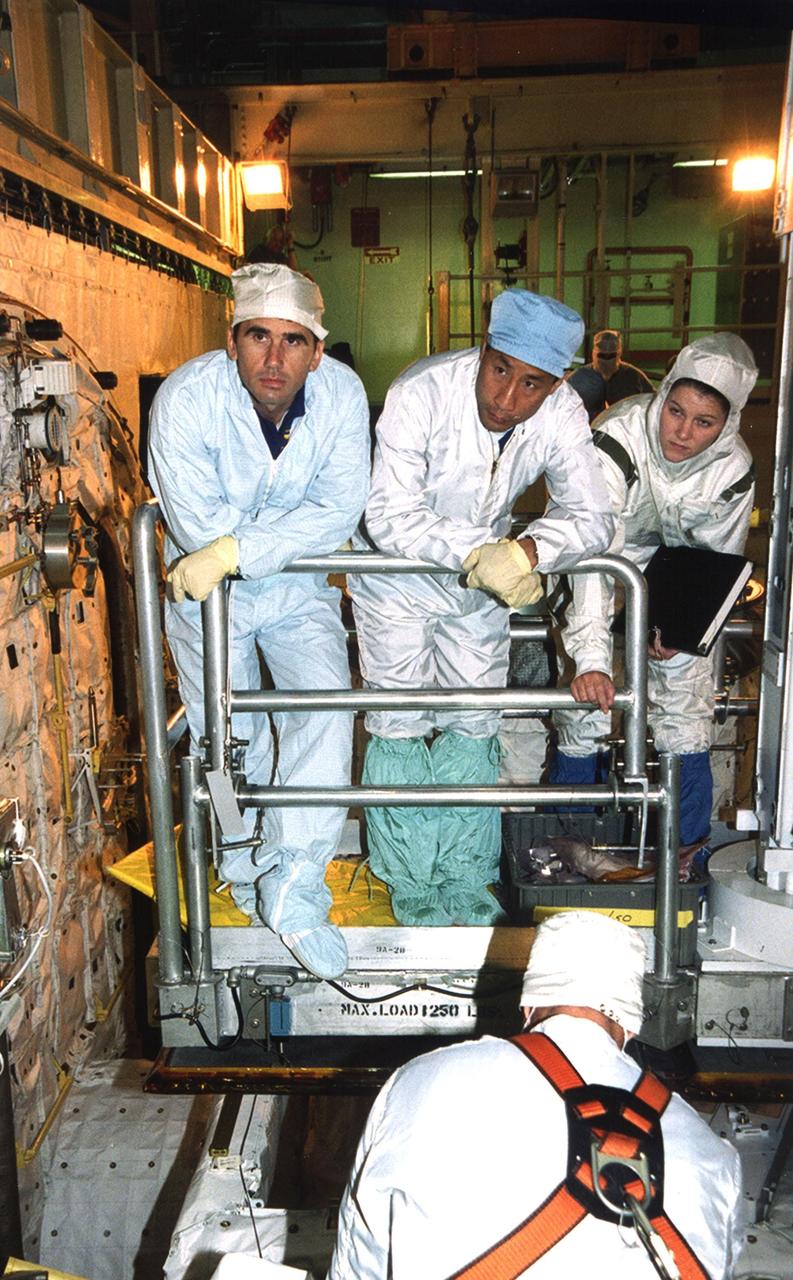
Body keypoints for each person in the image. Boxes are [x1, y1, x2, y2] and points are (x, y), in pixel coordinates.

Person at [348, 290, 615, 927]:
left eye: (532, 384)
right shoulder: (423, 392)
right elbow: (388, 517)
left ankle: (465, 876)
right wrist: (485, 552)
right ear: (483, 351)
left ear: (555, 384)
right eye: (500, 370)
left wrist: (528, 548)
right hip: (398, 581)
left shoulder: (562, 413)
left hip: (486, 583)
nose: (507, 398)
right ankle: (407, 877)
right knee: (400, 725)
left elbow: (596, 517)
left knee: (473, 724)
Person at [147, 263, 370, 980]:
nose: (274, 360)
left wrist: (244, 547)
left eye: (294, 341)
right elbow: (195, 524)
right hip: (208, 594)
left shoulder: (341, 394)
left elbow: (339, 506)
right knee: (229, 732)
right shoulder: (185, 401)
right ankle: (245, 863)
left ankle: (297, 884)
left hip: (296, 588)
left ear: (317, 346)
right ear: (232, 338)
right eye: (258, 337)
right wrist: (247, 544)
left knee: (325, 713)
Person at [328, 910, 743, 1279]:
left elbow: (360, 1256)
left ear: (527, 1005)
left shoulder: (424, 1081)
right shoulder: (713, 1154)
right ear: (631, 1025)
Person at [553, 332, 757, 856]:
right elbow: (592, 558)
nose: (683, 432)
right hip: (592, 565)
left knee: (685, 711)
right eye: (676, 411)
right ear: (662, 395)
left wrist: (680, 631)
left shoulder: (733, 470)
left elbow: (714, 564)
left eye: (704, 422)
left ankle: (684, 855)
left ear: (726, 425)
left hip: (672, 579)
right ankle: (571, 850)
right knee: (587, 705)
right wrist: (593, 661)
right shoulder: (616, 436)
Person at [568, 328, 654, 421]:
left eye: (611, 356)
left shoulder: (633, 377)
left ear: (619, 354)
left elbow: (654, 402)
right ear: (594, 353)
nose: (606, 361)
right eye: (602, 356)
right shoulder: (579, 379)